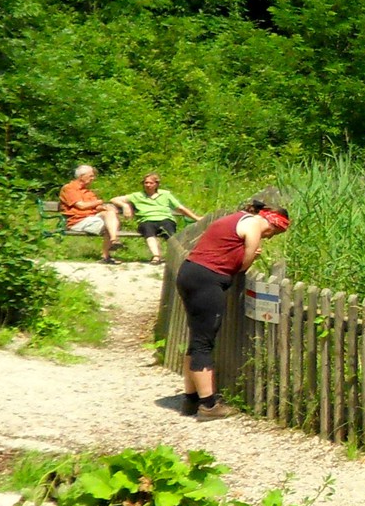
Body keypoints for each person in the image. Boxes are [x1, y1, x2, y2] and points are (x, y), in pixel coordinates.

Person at [174, 199, 290, 420]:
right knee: (203, 343)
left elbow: (228, 247)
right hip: (208, 279)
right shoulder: (255, 224)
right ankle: (208, 405)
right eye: (274, 233)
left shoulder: (235, 218)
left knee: (197, 338)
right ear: (273, 223)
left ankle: (190, 399)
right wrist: (242, 267)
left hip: (190, 272)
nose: (270, 237)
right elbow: (247, 256)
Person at [111, 174, 201, 264]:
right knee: (149, 232)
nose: (148, 185)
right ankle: (156, 256)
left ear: (156, 184)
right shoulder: (137, 195)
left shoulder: (165, 194)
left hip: (165, 218)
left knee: (170, 234)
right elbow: (114, 199)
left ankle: (182, 256)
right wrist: (125, 205)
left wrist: (196, 218)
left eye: (151, 183)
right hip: (146, 220)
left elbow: (180, 208)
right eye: (146, 183)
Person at [57, 164, 123, 264]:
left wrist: (105, 207)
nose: (93, 178)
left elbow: (96, 207)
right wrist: (100, 202)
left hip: (91, 218)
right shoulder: (69, 188)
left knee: (110, 214)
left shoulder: (88, 191)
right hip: (78, 221)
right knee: (110, 224)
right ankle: (106, 255)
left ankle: (114, 240)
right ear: (81, 176)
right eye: (91, 176)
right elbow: (81, 206)